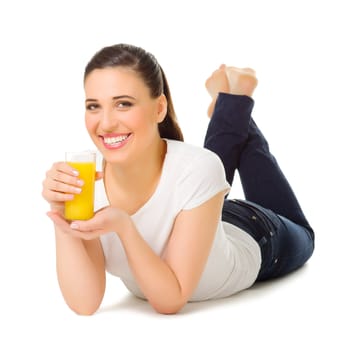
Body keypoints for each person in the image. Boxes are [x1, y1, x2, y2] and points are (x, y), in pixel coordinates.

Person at [42, 43, 315, 315]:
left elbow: (170, 300)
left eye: (123, 103)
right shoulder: (84, 180)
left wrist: (124, 227)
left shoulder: (197, 169)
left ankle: (235, 103)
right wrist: (61, 217)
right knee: (200, 171)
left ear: (159, 108)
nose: (106, 123)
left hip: (255, 235)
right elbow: (84, 304)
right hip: (199, 212)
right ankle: (230, 105)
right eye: (93, 106)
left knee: (303, 234)